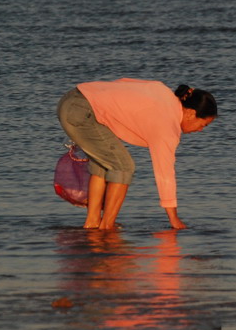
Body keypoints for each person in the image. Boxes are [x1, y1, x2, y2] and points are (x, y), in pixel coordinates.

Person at [57, 78, 217, 230]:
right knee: (123, 167)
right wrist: (173, 219)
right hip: (82, 111)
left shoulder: (162, 91)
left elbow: (124, 83)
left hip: (72, 99)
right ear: (190, 113)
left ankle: (92, 224)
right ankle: (107, 228)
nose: (201, 129)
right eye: (203, 124)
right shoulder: (167, 127)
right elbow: (165, 174)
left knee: (104, 164)